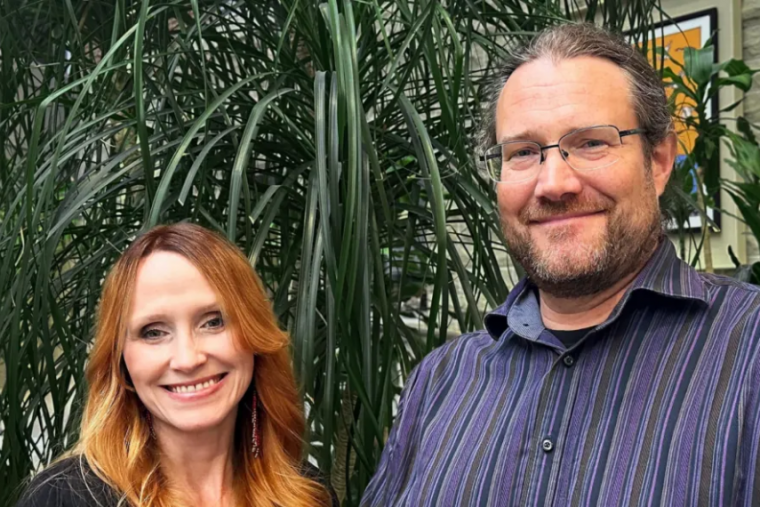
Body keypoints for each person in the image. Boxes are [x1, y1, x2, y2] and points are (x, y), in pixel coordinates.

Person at [362, 23, 760, 507]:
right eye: (524, 152)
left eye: (592, 142)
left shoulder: (748, 354)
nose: (554, 184)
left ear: (658, 161)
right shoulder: (440, 382)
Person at [18, 223, 336, 507]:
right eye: (153, 332)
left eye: (213, 322)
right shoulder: (63, 498)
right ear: (120, 361)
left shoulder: (308, 494)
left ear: (256, 336)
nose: (187, 359)